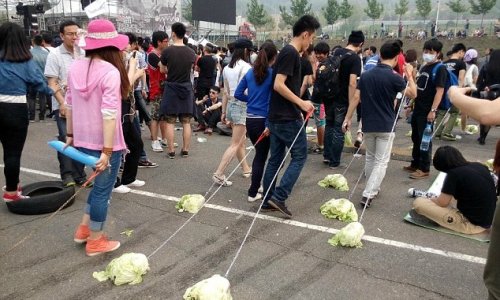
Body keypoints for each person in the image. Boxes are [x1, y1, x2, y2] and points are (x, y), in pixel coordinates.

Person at [65, 19, 129, 256]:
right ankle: (96, 240)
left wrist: (70, 134)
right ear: (111, 46)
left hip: (82, 139)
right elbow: (109, 114)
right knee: (103, 192)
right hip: (105, 144)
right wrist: (108, 150)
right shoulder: (110, 72)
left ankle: (84, 230)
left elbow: (69, 104)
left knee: (97, 189)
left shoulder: (75, 67)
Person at [343, 40, 417, 208]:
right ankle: (368, 193)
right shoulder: (394, 77)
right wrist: (410, 75)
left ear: (380, 55)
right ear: (397, 56)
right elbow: (413, 94)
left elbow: (356, 97)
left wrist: (347, 118)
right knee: (381, 161)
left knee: (370, 157)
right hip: (386, 125)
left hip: (368, 124)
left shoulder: (367, 74)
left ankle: (371, 188)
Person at [261, 15, 319, 218]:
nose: (311, 42)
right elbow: (278, 84)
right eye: (311, 38)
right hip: (287, 117)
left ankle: (268, 199)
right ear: (305, 34)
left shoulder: (288, 53)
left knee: (276, 159)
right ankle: (279, 197)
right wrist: (301, 102)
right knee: (300, 156)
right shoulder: (290, 53)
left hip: (277, 116)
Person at [0, 22, 52, 202]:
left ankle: (12, 187)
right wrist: (56, 91)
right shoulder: (24, 60)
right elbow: (40, 84)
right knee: (12, 153)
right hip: (14, 109)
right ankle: (11, 192)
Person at [45, 20, 89, 187]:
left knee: (82, 140)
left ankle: (80, 174)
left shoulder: (84, 53)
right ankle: (67, 175)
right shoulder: (55, 55)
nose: (74, 37)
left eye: (77, 33)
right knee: (65, 139)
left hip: (83, 106)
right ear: (62, 36)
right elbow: (52, 82)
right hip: (63, 105)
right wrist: (62, 103)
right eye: (70, 34)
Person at [412, 145, 496, 233]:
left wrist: (431, 199)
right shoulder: (479, 166)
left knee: (419, 202)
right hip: (486, 219)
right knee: (450, 199)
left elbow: (442, 203)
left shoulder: (453, 174)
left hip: (470, 224)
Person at [234, 42, 278, 203]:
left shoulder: (250, 73)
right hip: (264, 120)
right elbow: (274, 99)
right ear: (274, 57)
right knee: (263, 156)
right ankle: (253, 191)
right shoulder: (273, 74)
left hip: (250, 119)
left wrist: (250, 99)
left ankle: (257, 186)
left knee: (260, 155)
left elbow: (238, 93)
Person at [212, 38, 254, 186]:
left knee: (240, 141)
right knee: (236, 143)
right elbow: (248, 91)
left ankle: (246, 168)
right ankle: (219, 173)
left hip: (230, 104)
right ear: (245, 51)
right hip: (242, 105)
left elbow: (225, 92)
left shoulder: (227, 67)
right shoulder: (247, 68)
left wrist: (223, 112)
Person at [405, 39, 447, 180]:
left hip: (427, 110)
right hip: (418, 108)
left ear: (438, 53)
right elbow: (417, 88)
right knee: (415, 137)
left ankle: (424, 168)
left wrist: (433, 110)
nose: (427, 54)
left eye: (431, 52)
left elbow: (440, 91)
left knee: (425, 140)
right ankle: (415, 163)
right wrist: (411, 105)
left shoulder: (440, 68)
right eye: (425, 51)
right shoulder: (424, 67)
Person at [324, 31, 364, 169]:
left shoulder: (336, 52)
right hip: (342, 99)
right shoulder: (355, 58)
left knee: (329, 126)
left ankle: (327, 156)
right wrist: (351, 102)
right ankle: (334, 162)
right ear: (361, 44)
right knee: (339, 129)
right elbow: (352, 83)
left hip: (329, 96)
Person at [159, 22, 196, 158]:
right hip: (186, 88)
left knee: (170, 121)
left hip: (171, 87)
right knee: (186, 121)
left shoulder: (167, 51)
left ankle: (171, 150)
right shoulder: (191, 52)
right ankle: (185, 149)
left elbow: (162, 70)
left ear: (173, 33)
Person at [434, 43, 466, 141]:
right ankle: (447, 132)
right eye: (463, 53)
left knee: (442, 111)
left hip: (443, 90)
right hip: (454, 89)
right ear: (460, 51)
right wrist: (460, 91)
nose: (463, 56)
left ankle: (437, 133)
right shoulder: (461, 63)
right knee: (454, 111)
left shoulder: (444, 63)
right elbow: (461, 78)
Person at [147, 31, 169, 152]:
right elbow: (163, 69)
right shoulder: (152, 55)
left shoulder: (163, 54)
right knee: (155, 116)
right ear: (159, 42)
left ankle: (165, 139)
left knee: (164, 117)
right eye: (166, 41)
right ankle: (155, 140)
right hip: (156, 89)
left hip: (165, 88)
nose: (167, 43)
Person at [475, 49, 500, 145]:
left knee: (487, 116)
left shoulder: (486, 67)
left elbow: (479, 82)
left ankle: (482, 137)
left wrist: (480, 91)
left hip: (489, 93)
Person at [310, 41, 330, 155]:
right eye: (316, 53)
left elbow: (314, 79)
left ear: (326, 53)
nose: (318, 56)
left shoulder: (322, 66)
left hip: (319, 99)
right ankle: (323, 144)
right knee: (323, 122)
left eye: (320, 53)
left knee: (320, 123)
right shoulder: (331, 63)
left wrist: (313, 64)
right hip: (326, 99)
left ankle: (321, 145)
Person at [28, 35, 50, 122]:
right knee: (42, 97)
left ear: (33, 42)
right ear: (42, 42)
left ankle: (32, 117)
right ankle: (42, 117)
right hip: (43, 78)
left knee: (32, 97)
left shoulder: (29, 53)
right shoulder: (47, 53)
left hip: (32, 78)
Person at [460, 49, 479, 135]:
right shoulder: (474, 67)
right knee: (464, 111)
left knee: (451, 110)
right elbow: (475, 80)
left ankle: (444, 127)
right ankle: (463, 128)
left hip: (458, 87)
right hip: (467, 90)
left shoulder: (461, 64)